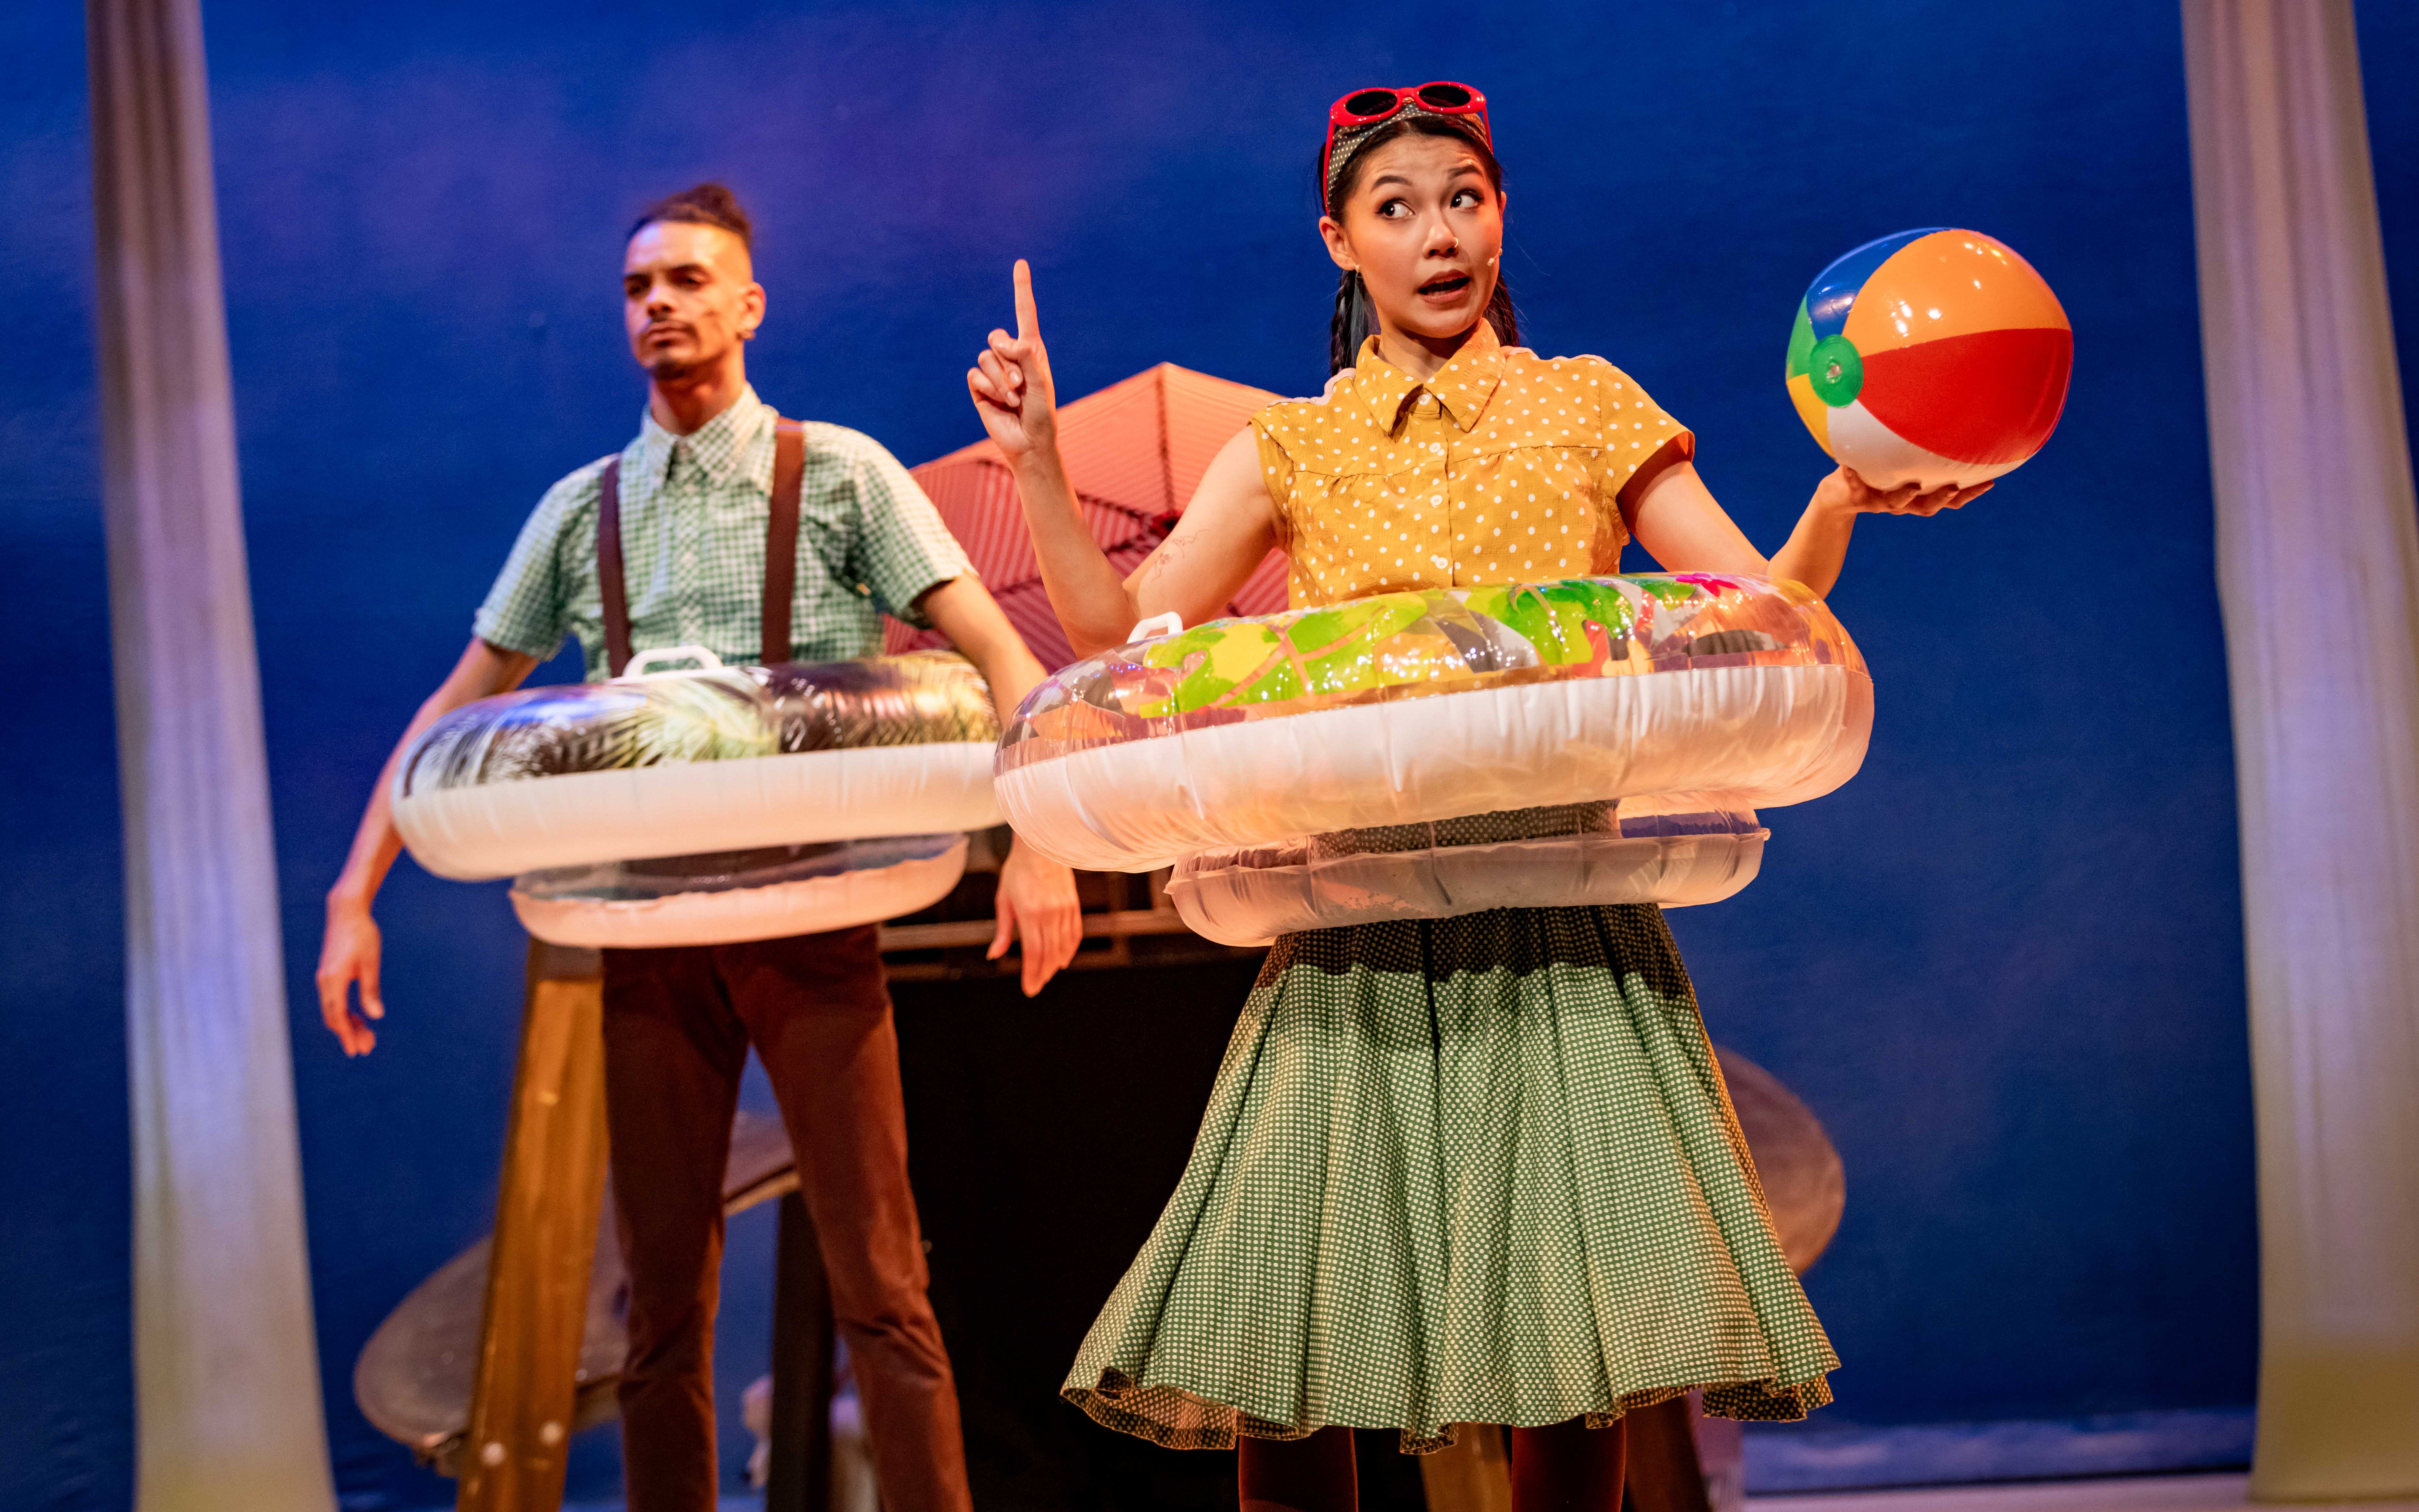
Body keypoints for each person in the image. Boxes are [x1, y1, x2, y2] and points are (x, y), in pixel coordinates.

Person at [965, 85, 1985, 1512]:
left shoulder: (1588, 405)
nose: (1439, 234)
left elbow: (1754, 609)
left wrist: (1843, 499)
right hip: (1357, 941)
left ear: (1501, 214)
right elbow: (1115, 637)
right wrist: (1034, 467)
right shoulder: (1291, 447)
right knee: (1295, 1364)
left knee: (1571, 1370)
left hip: (1558, 939)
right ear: (1340, 241)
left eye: (1464, 197)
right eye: (1396, 208)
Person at [319, 183, 1081, 1512]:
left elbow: (998, 651)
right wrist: (354, 890)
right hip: (651, 941)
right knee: (661, 1313)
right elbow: (460, 706)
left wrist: (1047, 839)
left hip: (812, 914)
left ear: (747, 306)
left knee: (883, 1292)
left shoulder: (838, 473)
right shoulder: (582, 512)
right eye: (637, 289)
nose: (659, 304)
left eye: (686, 280)